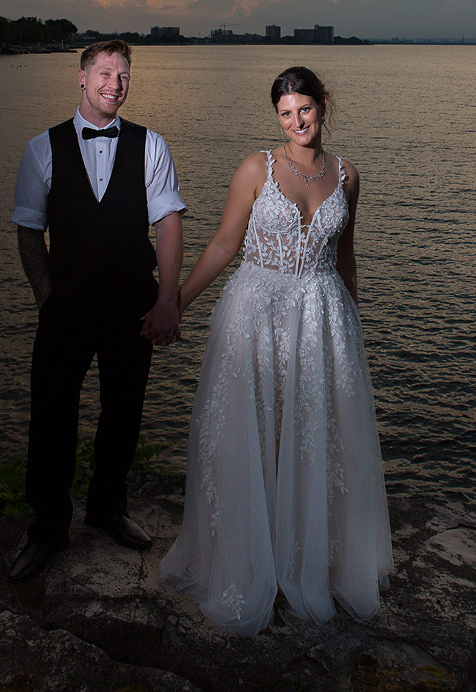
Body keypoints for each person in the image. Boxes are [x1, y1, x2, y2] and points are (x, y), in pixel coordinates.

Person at [161, 66, 393, 634]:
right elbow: (223, 244)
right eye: (286, 113)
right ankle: (249, 562)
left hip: (322, 316)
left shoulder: (348, 175)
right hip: (257, 311)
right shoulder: (255, 169)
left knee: (316, 437)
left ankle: (308, 560)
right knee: (256, 432)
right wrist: (176, 302)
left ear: (323, 104)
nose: (297, 122)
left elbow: (345, 255)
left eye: (305, 109)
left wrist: (353, 323)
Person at [7, 39, 185, 582]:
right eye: (105, 72)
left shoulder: (152, 145)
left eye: (124, 74)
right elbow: (28, 230)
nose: (115, 83)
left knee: (123, 411)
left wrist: (167, 298)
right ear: (82, 78)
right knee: (53, 413)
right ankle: (47, 527)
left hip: (132, 305)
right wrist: (46, 296)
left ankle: (107, 509)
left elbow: (169, 223)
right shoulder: (42, 148)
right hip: (66, 308)